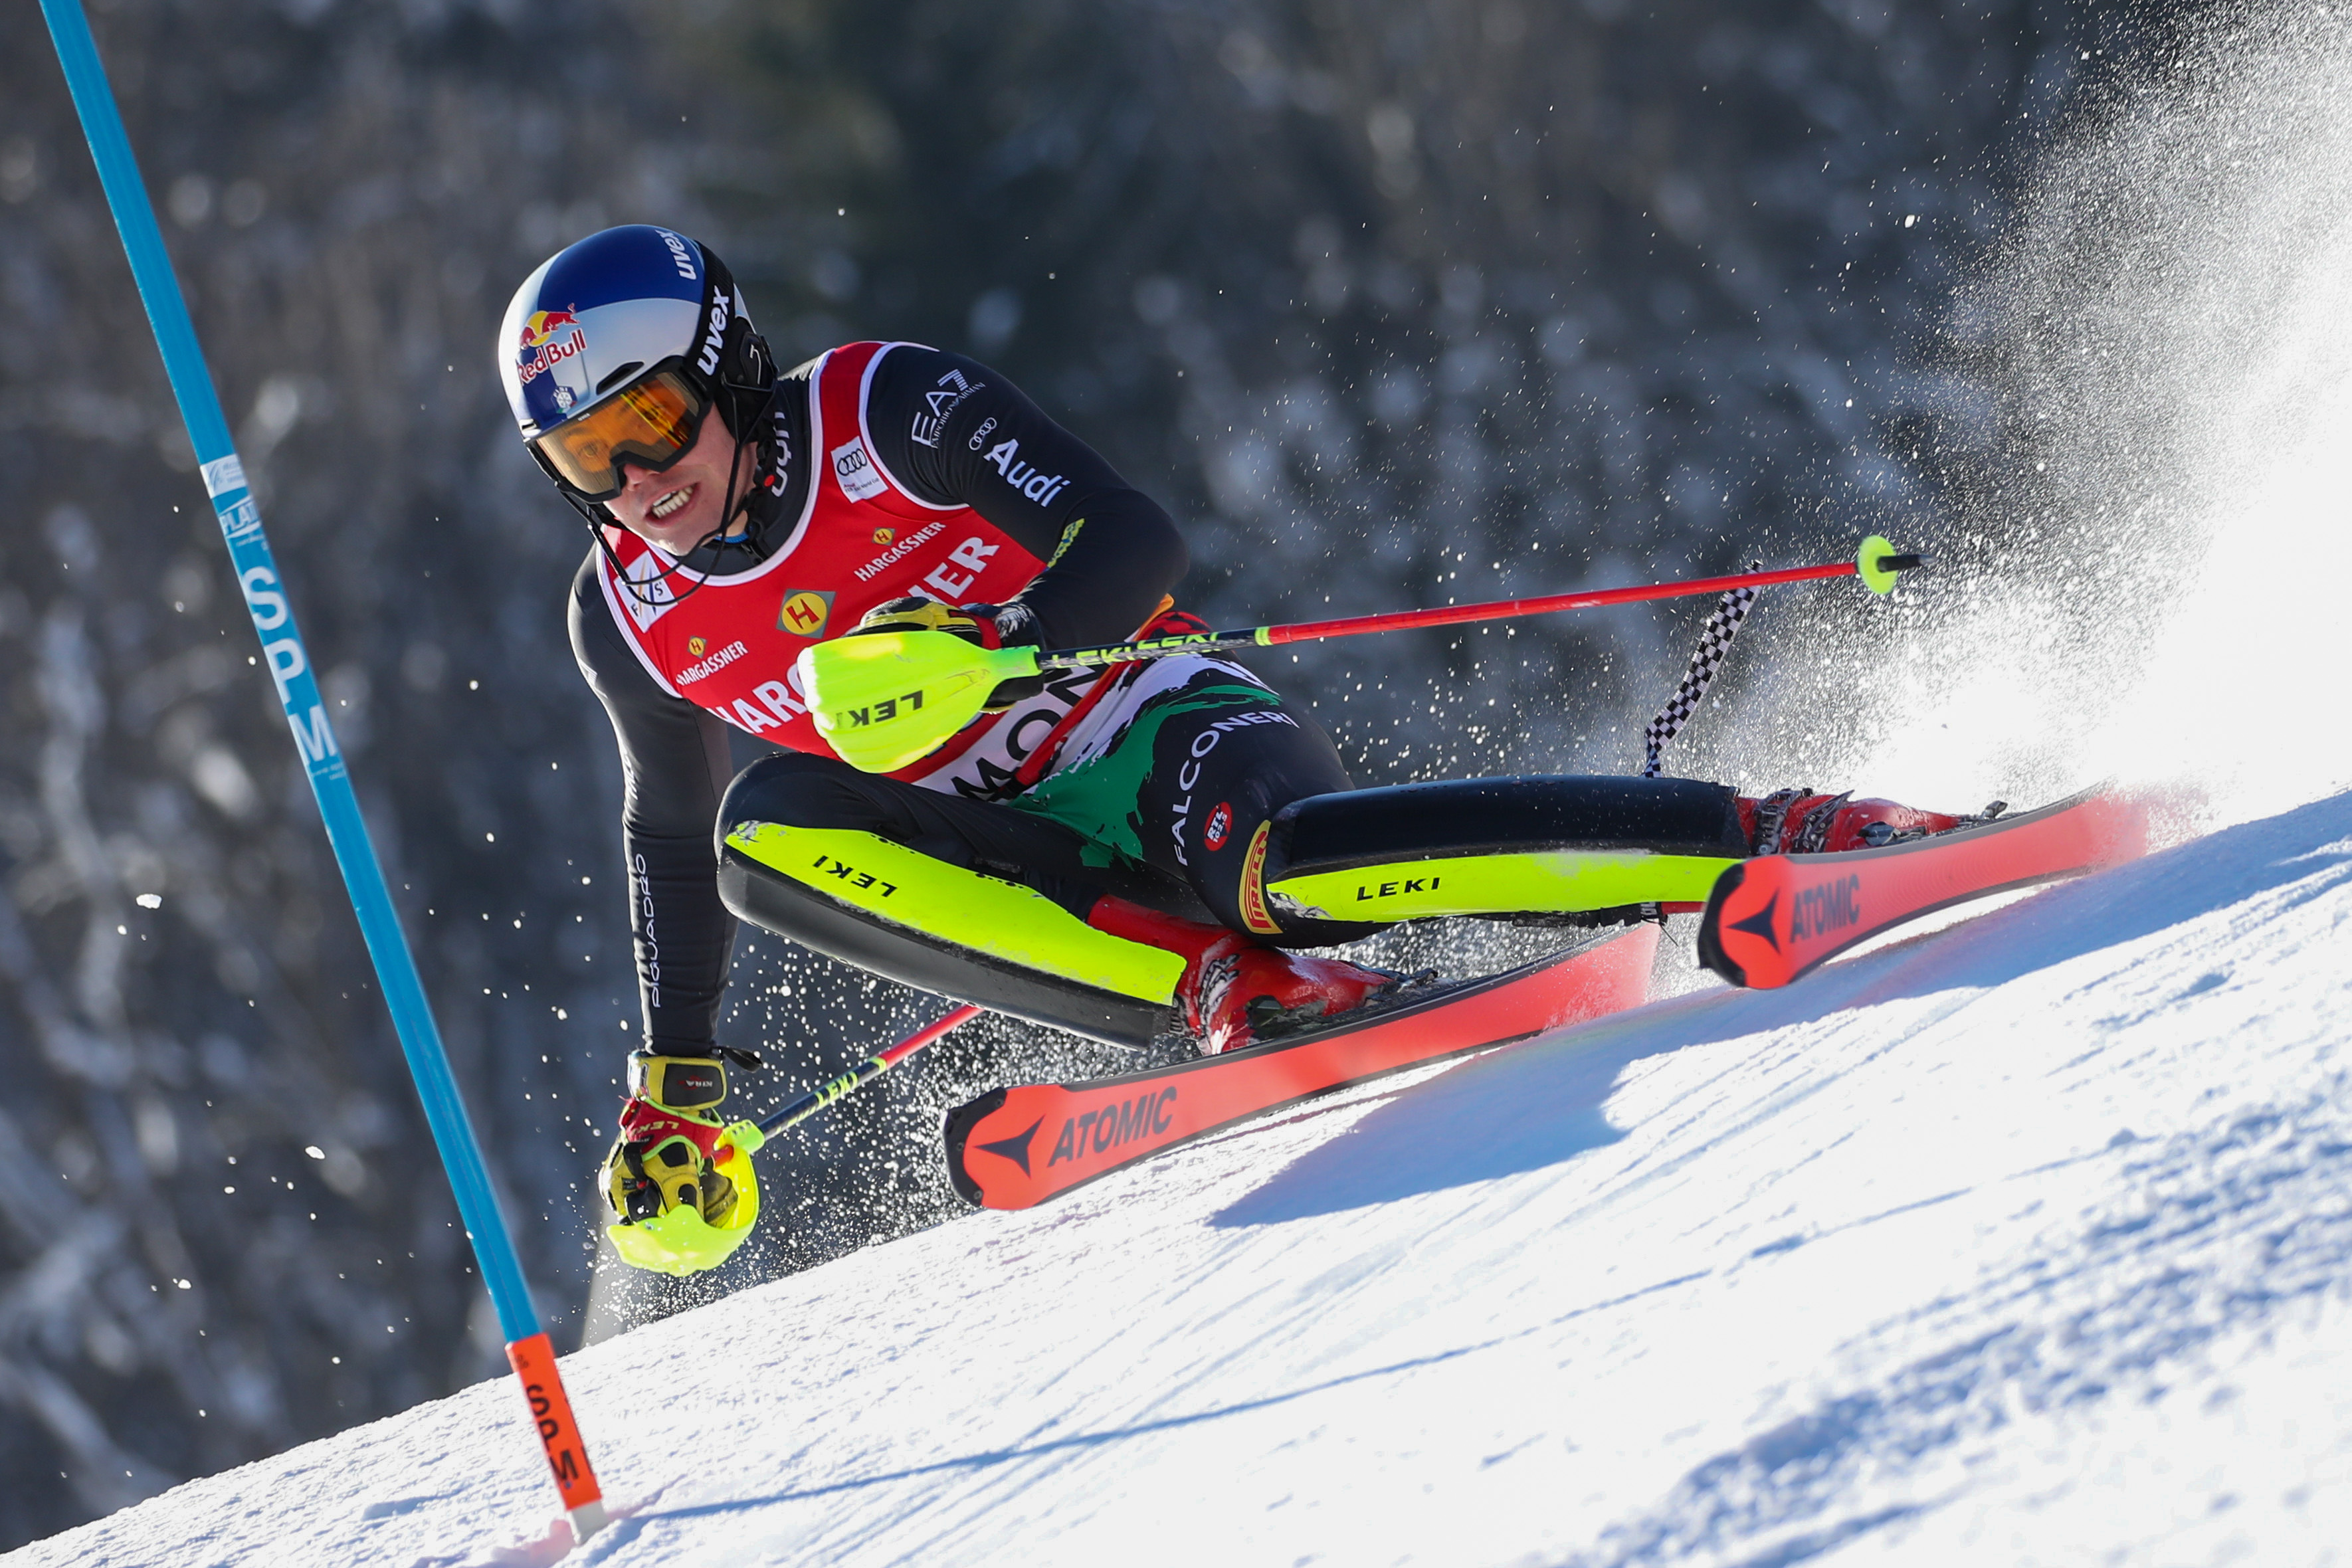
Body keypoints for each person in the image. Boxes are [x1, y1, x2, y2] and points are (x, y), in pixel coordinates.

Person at [499, 225, 1965, 1244]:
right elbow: (668, 837)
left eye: (655, 420)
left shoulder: (888, 409)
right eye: (586, 457)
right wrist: (674, 1084)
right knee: (759, 828)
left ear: (730, 363)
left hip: (1157, 732)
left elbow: (1131, 529)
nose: (638, 479)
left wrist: (991, 655)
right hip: (1028, 867)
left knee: (1284, 871)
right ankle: (1228, 993)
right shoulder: (624, 615)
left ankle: (1762, 834)